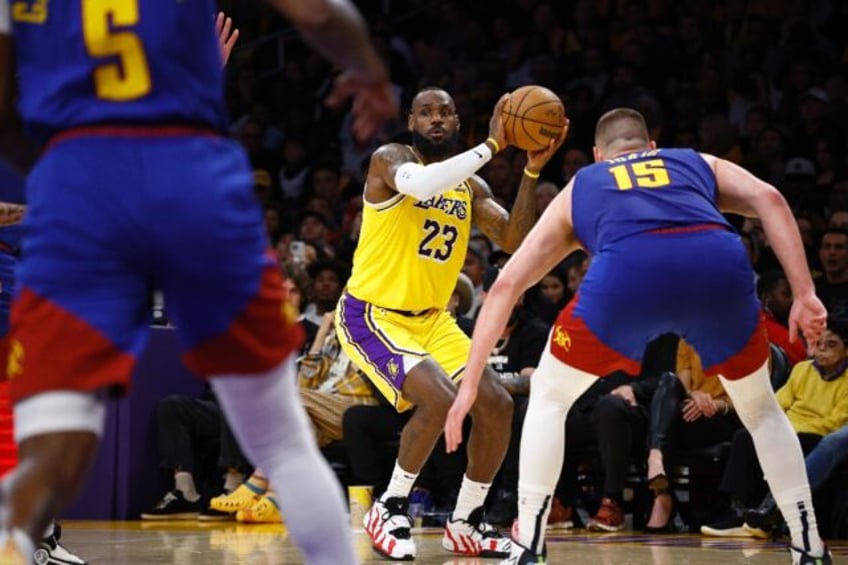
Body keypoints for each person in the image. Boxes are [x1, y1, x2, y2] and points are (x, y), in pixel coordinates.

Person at [0, 1, 397, 563]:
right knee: (281, 441)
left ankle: (15, 539)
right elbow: (319, 13)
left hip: (84, 194)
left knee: (49, 448)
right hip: (191, 179)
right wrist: (367, 69)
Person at [446, 108, 832, 565]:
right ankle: (809, 546)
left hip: (628, 277)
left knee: (549, 396)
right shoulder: (693, 161)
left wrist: (470, 383)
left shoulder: (584, 183)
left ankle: (530, 543)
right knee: (762, 409)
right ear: (651, 147)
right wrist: (804, 291)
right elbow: (770, 198)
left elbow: (507, 284)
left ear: (596, 155)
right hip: (717, 267)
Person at [334, 86, 567, 560]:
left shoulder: (471, 187)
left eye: (445, 112)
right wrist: (495, 145)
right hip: (373, 314)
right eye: (426, 113)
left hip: (433, 321)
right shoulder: (389, 159)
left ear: (459, 122)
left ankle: (467, 521)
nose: (436, 119)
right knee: (439, 398)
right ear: (411, 122)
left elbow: (515, 239)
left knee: (496, 405)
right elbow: (420, 186)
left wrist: (531, 169)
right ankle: (390, 506)